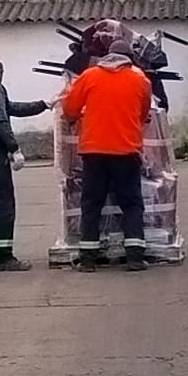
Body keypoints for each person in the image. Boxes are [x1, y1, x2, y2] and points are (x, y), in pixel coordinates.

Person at [62, 40, 153, 273]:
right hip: (126, 151)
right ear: (129, 59)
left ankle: (88, 259)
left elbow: (70, 108)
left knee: (91, 204)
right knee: (131, 204)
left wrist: (78, 117)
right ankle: (134, 257)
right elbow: (144, 114)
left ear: (108, 56)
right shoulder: (140, 79)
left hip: (94, 152)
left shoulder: (89, 76)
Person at [0, 53, 51, 272]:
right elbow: (1, 119)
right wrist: (14, 148)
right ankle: (4, 256)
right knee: (3, 204)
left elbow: (10, 107)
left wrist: (43, 104)